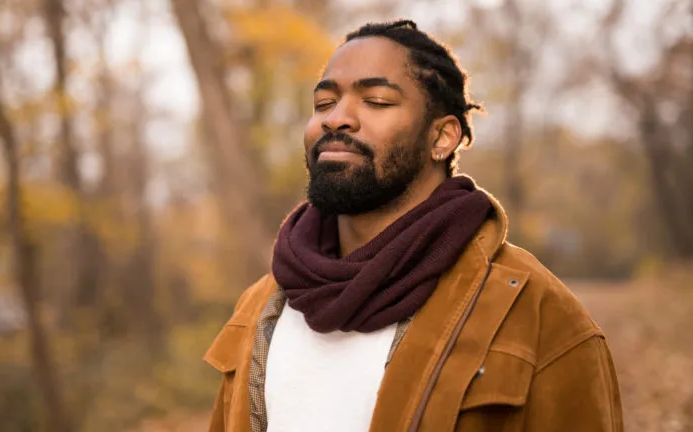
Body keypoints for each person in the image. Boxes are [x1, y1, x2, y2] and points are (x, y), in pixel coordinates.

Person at [203, 20, 623, 432]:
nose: (336, 119)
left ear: (442, 138)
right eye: (324, 103)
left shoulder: (539, 316)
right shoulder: (260, 307)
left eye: (377, 101)